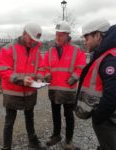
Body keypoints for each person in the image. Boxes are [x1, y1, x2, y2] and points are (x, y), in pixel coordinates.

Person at [75, 18, 116, 150]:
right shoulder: (110, 54)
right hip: (111, 116)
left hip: (110, 119)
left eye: (87, 38)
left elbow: (112, 98)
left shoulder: (111, 59)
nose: (85, 42)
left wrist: (98, 117)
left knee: (108, 145)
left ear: (98, 35)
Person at [0, 22, 46, 150]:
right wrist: (20, 79)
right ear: (24, 34)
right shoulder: (8, 48)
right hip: (12, 92)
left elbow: (41, 67)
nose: (33, 42)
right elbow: (3, 70)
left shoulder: (36, 50)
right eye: (31, 39)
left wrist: (40, 77)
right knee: (9, 121)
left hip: (30, 91)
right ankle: (6, 147)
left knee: (30, 117)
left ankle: (33, 142)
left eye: (35, 40)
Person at [44, 21, 86, 150]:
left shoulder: (76, 50)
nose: (58, 37)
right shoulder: (50, 51)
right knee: (55, 114)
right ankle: (56, 135)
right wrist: (46, 74)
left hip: (69, 90)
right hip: (54, 89)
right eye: (57, 34)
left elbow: (81, 67)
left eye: (61, 35)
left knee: (68, 116)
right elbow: (44, 67)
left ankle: (68, 141)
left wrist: (74, 77)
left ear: (68, 35)